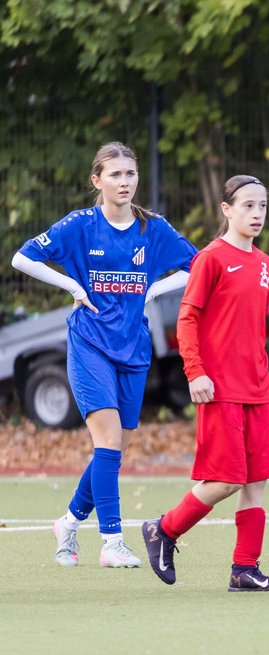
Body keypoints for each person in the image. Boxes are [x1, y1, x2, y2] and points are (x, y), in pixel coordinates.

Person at [11, 141, 197, 569]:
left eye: (130, 174)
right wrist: (73, 288)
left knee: (112, 451)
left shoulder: (154, 229)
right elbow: (23, 258)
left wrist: (154, 288)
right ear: (97, 181)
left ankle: (69, 522)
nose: (124, 181)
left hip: (133, 348)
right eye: (114, 174)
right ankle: (112, 540)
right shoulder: (80, 224)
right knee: (109, 441)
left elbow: (197, 265)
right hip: (89, 344)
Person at [141, 175, 269, 592]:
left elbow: (249, 329)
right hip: (219, 388)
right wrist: (195, 372)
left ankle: (244, 569)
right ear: (226, 209)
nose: (257, 213)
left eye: (262, 205)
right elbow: (187, 319)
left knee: (256, 480)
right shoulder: (211, 259)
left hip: (257, 388)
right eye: (247, 206)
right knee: (226, 480)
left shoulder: (264, 263)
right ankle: (163, 530)